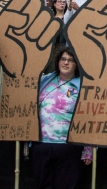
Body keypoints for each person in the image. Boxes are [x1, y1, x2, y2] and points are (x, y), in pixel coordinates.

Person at [30, 46, 92, 189]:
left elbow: (90, 117)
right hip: (41, 145)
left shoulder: (83, 86)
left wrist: (88, 149)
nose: (66, 63)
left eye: (70, 60)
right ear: (58, 61)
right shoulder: (44, 81)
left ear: (77, 64)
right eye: (63, 59)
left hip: (69, 147)